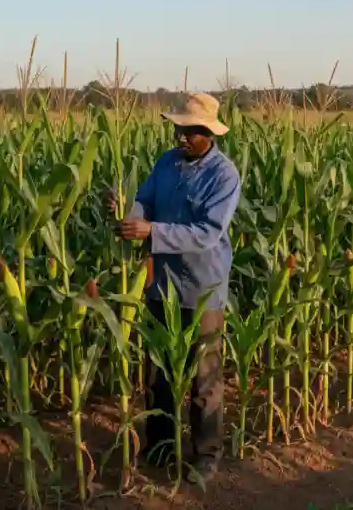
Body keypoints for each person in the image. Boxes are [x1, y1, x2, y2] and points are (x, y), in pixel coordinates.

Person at [104, 92, 240, 483]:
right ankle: (161, 447)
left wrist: (152, 231)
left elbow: (208, 233)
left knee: (204, 377)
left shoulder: (223, 174)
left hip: (202, 289)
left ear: (209, 133)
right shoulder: (166, 162)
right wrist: (124, 212)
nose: (181, 136)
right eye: (179, 128)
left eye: (190, 131)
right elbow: (144, 203)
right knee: (159, 374)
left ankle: (206, 454)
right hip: (160, 285)